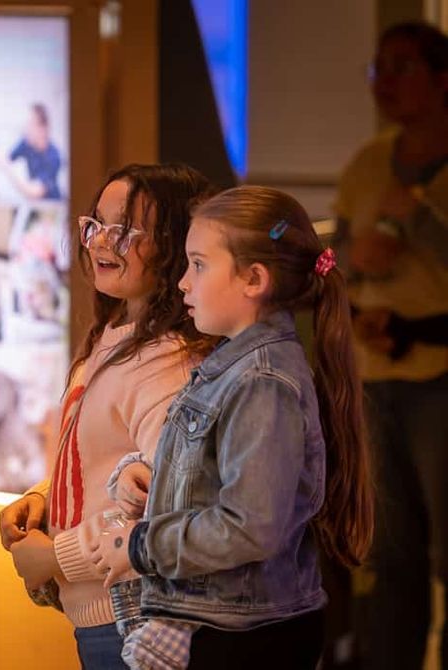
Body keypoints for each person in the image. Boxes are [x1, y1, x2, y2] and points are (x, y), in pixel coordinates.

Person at [93, 185, 375, 669]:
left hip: (243, 637)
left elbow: (251, 527)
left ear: (254, 279)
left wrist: (141, 545)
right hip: (226, 627)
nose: (183, 283)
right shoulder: (233, 364)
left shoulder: (264, 380)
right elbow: (219, 470)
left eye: (198, 264)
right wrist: (155, 477)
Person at [0, 164, 217, 669]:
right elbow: (103, 461)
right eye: (95, 223)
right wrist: (44, 500)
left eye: (126, 230)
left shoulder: (171, 361)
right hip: (103, 618)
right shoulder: (112, 335)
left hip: (137, 620)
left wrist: (56, 557)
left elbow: (168, 510)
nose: (101, 240)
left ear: (176, 243)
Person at [332, 22, 448, 669]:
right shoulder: (369, 161)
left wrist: (416, 221)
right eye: (378, 68)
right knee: (390, 550)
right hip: (375, 368)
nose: (386, 81)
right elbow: (341, 255)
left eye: (402, 67)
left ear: (441, 79)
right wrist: (354, 301)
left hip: (441, 371)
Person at [5, 103, 63, 200]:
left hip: (52, 206)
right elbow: (7, 158)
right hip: (35, 205)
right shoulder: (26, 143)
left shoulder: (54, 157)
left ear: (43, 129)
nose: (26, 129)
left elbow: (35, 192)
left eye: (30, 124)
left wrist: (7, 169)